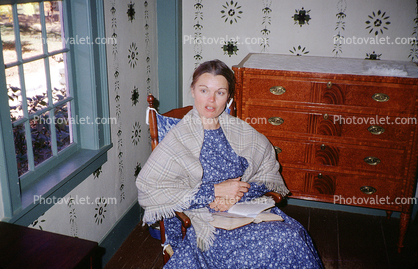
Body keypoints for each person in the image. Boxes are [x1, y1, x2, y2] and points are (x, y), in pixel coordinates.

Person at [136, 59, 323, 268]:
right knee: (275, 244)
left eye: (220, 92)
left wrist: (237, 194)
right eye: (204, 90)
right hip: (204, 222)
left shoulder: (239, 131)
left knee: (294, 236)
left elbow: (266, 171)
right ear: (192, 90)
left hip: (244, 210)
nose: (211, 100)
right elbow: (150, 188)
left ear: (229, 97)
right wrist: (214, 192)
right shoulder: (178, 139)